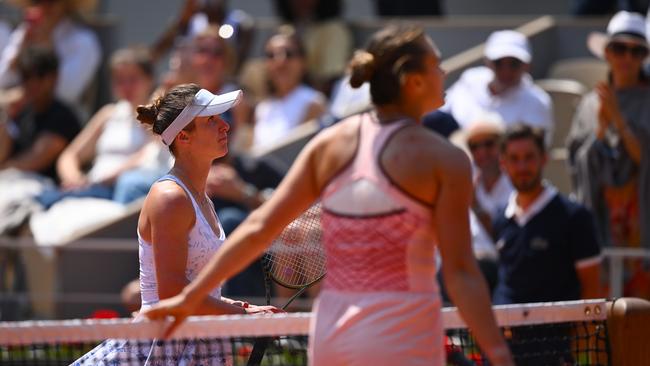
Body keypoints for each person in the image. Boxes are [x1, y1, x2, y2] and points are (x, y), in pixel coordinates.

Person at [144, 26, 514, 366]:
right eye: (436, 64)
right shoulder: (446, 159)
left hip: (334, 335)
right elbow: (462, 272)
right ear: (414, 81)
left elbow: (258, 227)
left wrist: (191, 299)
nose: (444, 72)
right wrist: (498, 353)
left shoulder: (330, 143)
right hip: (403, 334)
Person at [73, 84, 280, 365]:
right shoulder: (170, 198)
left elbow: (197, 290)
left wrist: (243, 308)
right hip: (166, 343)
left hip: (200, 341)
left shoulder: (201, 198)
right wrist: (241, 316)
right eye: (212, 120)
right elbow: (172, 291)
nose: (226, 126)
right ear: (183, 136)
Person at [494, 125, 602, 365]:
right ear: (503, 163)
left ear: (544, 159)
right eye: (514, 159)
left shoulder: (574, 217)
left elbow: (592, 287)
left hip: (555, 351)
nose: (522, 167)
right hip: (506, 351)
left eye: (529, 157)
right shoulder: (500, 219)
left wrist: (580, 343)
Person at [567, 10, 650, 298]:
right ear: (607, 53)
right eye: (619, 49)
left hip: (642, 221)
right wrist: (601, 129)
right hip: (601, 218)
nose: (626, 57)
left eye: (636, 51)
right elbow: (578, 164)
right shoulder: (589, 104)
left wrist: (620, 121)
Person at [35, 47, 156, 208]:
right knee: (38, 199)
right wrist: (75, 179)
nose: (126, 86)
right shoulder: (108, 114)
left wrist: (107, 179)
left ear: (149, 80)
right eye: (120, 80)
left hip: (120, 190)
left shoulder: (156, 117)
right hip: (92, 186)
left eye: (133, 79)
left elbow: (149, 155)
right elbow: (70, 156)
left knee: (48, 202)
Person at [442, 30, 553, 144]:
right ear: (488, 62)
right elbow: (441, 111)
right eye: (499, 62)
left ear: (527, 66)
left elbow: (531, 151)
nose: (506, 70)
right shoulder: (470, 79)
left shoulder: (537, 101)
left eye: (514, 63)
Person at [0, 0, 101, 114]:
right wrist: (20, 52)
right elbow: (2, 79)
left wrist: (47, 46)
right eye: (38, 1)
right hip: (21, 119)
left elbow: (65, 92)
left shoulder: (84, 41)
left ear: (64, 6)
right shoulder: (24, 33)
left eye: (51, 2)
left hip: (60, 122)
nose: (44, 6)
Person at [0, 46, 80, 181]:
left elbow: (33, 161)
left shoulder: (62, 117)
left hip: (44, 189)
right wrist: (5, 115)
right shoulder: (21, 113)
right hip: (11, 182)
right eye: (26, 76)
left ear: (54, 78)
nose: (32, 83)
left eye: (39, 76)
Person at [252, 27, 326, 150]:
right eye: (271, 55)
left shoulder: (314, 103)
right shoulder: (262, 107)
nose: (280, 62)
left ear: (303, 62)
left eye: (288, 54)